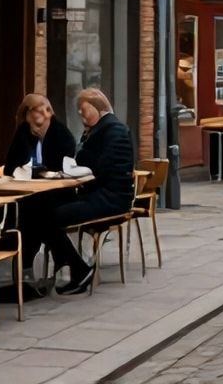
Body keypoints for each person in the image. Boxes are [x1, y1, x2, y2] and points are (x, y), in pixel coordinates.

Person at [42, 89, 135, 295]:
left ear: (97, 108)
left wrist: (84, 148)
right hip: (104, 195)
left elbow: (98, 166)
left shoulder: (113, 131)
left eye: (84, 111)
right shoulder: (106, 129)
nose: (82, 116)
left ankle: (78, 269)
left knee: (50, 217)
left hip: (110, 199)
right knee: (45, 209)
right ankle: (72, 266)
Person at [1, 94, 79, 276]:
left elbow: (62, 168)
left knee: (35, 216)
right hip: (29, 193)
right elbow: (9, 167)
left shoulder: (61, 134)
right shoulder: (23, 133)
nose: (39, 120)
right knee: (29, 212)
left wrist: (36, 171)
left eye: (44, 112)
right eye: (34, 114)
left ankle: (27, 265)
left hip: (58, 195)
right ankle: (62, 263)